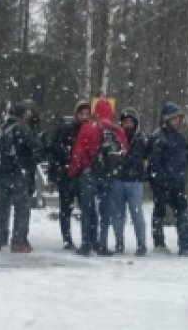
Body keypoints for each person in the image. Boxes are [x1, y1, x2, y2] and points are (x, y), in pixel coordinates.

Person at [68, 98, 128, 256]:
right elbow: (124, 152)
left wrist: (74, 171)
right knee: (105, 212)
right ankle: (102, 244)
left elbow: (78, 152)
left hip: (89, 173)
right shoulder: (117, 130)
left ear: (95, 112)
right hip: (108, 175)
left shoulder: (88, 127)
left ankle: (86, 244)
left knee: (87, 211)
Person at [0, 101, 38, 253]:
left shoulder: (3, 127)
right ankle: (18, 241)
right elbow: (34, 148)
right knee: (22, 207)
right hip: (19, 172)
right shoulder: (23, 128)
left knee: (2, 207)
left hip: (3, 172)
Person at [47, 101, 90, 250]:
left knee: (86, 208)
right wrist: (55, 174)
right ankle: (67, 238)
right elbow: (54, 151)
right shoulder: (66, 130)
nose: (84, 117)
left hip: (82, 175)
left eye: (86, 114)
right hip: (67, 175)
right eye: (81, 113)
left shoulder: (91, 130)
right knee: (66, 208)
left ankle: (87, 238)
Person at [147, 103, 188, 255]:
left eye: (178, 118)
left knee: (181, 212)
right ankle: (159, 242)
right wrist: (161, 179)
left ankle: (184, 241)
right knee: (159, 211)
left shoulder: (179, 138)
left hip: (177, 182)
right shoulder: (158, 137)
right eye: (174, 118)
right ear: (167, 119)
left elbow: (183, 159)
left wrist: (181, 178)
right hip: (163, 182)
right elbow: (154, 162)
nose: (177, 121)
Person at [109, 107, 148, 256]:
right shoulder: (115, 137)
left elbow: (146, 157)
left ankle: (141, 243)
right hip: (118, 179)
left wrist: (143, 169)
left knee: (137, 214)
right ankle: (119, 241)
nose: (128, 125)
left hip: (135, 181)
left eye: (131, 122)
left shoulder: (140, 140)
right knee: (117, 214)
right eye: (125, 122)